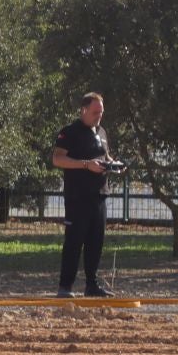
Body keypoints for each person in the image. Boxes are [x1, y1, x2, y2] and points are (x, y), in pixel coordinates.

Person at [50, 92, 117, 296]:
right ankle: (65, 287)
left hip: (99, 195)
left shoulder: (102, 132)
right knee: (74, 241)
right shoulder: (69, 132)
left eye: (101, 112)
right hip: (77, 197)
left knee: (96, 242)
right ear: (84, 110)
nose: (99, 116)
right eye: (95, 112)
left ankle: (92, 285)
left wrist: (113, 164)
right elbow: (57, 160)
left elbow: (104, 156)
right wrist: (86, 165)